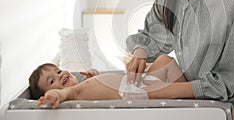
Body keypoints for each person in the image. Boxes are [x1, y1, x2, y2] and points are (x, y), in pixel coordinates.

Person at [29, 54, 186, 109]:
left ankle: (185, 90)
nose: (60, 75)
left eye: (58, 71)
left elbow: (98, 89)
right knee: (175, 87)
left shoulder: (82, 85)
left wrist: (95, 77)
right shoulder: (69, 93)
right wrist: (51, 96)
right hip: (136, 92)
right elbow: (58, 94)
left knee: (165, 60)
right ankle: (192, 94)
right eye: (51, 81)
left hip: (137, 83)